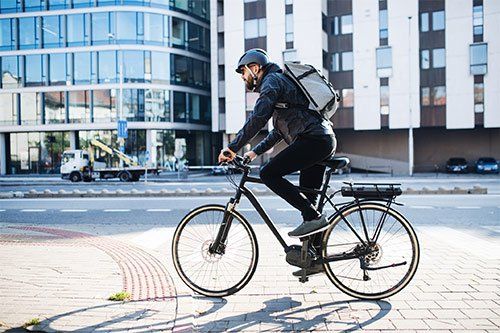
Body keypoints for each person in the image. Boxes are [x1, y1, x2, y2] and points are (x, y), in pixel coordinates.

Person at [218, 48, 336, 258]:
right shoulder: (281, 84)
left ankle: (312, 218)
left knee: (268, 174)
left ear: (255, 68)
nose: (243, 78)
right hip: (320, 140)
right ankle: (315, 258)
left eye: (243, 72)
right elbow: (278, 131)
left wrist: (232, 147)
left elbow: (257, 118)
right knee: (309, 206)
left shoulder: (272, 81)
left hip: (314, 141)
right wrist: (252, 153)